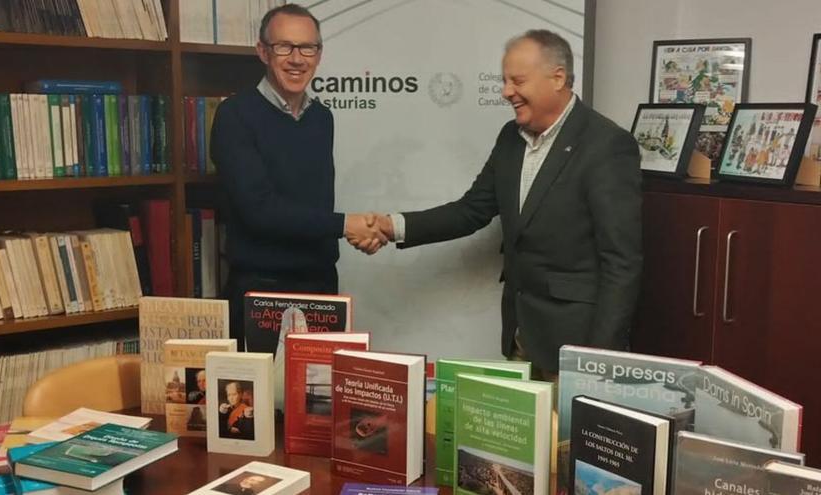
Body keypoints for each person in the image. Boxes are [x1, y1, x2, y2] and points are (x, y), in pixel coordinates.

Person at [364, 30, 643, 378]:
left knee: (566, 435)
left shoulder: (606, 145)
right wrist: (392, 226)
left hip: (577, 347)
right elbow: (472, 210)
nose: (506, 91)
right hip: (520, 335)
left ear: (558, 78)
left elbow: (622, 262)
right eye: (505, 80)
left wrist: (600, 359)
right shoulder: (511, 137)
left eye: (517, 80)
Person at [210, 4, 385, 349]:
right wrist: (346, 225)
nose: (297, 58)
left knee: (320, 400)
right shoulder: (234, 116)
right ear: (263, 51)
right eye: (284, 47)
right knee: (265, 402)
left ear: (319, 55)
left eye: (308, 48)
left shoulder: (321, 118)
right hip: (262, 293)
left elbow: (314, 205)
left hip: (321, 290)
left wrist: (355, 230)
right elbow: (258, 211)